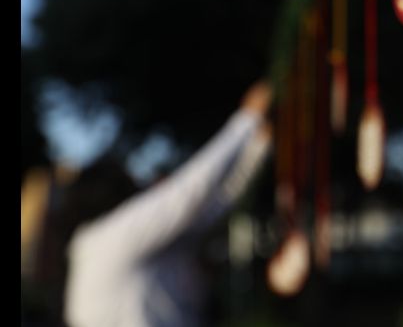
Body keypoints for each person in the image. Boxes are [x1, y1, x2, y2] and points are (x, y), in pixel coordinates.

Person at [62, 82, 273, 327]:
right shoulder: (111, 235)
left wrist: (259, 146)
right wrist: (247, 120)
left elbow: (216, 204)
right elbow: (188, 192)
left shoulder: (104, 244)